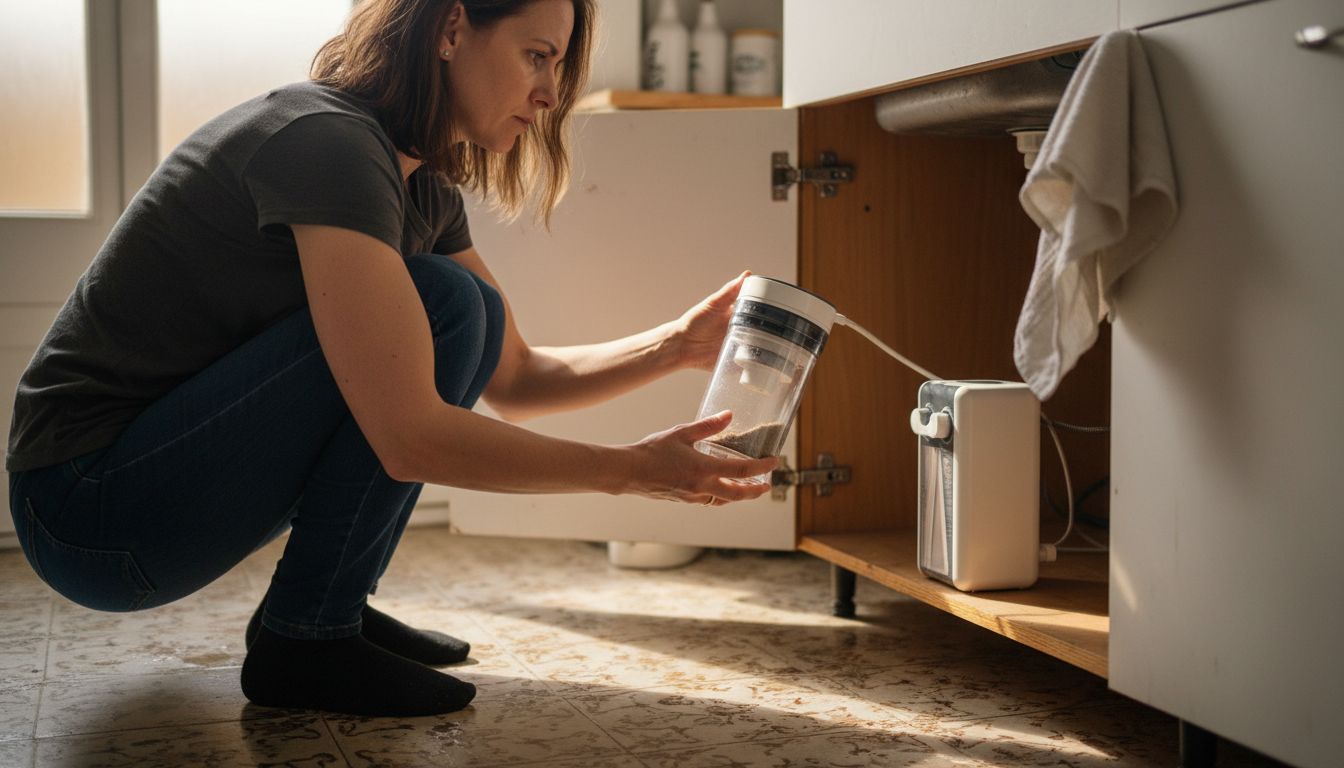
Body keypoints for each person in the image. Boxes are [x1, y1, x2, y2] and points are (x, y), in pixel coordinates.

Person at [4, 0, 776, 718]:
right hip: (85, 508)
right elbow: (410, 435)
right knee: (443, 301)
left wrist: (676, 345)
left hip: (139, 497)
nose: (550, 94)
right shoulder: (327, 143)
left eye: (557, 66)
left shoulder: (423, 185)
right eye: (537, 56)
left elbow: (516, 379)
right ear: (449, 30)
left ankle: (330, 603)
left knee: (462, 308)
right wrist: (635, 471)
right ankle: (307, 637)